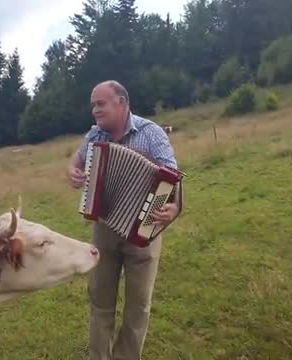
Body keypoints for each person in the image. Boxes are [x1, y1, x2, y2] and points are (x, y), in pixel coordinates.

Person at [66, 80, 182, 360]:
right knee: (99, 300)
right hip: (104, 228)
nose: (95, 110)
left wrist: (173, 208)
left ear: (122, 102)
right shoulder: (94, 136)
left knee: (138, 307)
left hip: (144, 232)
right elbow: (76, 162)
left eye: (100, 103)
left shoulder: (151, 133)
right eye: (93, 104)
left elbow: (172, 179)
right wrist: (73, 171)